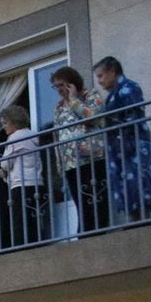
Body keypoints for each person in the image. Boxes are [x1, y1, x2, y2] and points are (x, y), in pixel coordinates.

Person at [92, 56, 151, 225]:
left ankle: (143, 222)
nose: (99, 81)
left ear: (112, 72)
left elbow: (134, 116)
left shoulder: (129, 88)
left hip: (131, 146)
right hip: (119, 148)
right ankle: (134, 222)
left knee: (138, 183)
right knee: (125, 185)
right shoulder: (112, 95)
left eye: (101, 76)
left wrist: (112, 126)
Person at [49, 66, 108, 233]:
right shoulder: (59, 106)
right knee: (80, 201)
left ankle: (98, 232)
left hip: (92, 157)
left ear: (72, 83)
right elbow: (57, 134)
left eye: (62, 85)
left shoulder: (90, 95)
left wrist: (74, 100)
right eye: (56, 86)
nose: (59, 90)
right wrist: (60, 163)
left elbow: (93, 118)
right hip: (70, 163)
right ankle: (85, 231)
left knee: (96, 198)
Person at [0, 105, 52, 247]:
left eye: (5, 123)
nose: (3, 127)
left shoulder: (15, 137)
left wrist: (2, 172)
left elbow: (5, 163)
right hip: (36, 182)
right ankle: (37, 246)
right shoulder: (33, 135)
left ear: (14, 122)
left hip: (20, 184)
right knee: (34, 219)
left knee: (20, 221)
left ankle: (22, 250)